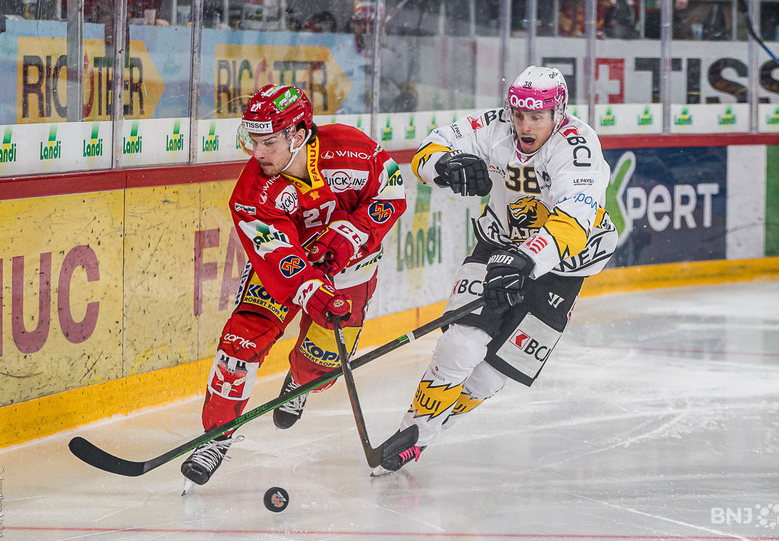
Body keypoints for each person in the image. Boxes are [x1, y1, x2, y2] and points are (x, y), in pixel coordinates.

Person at [372, 66, 618, 476]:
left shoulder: (578, 145)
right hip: (499, 244)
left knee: (488, 377)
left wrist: (529, 257)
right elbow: (429, 148)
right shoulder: (495, 125)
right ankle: (414, 435)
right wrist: (444, 165)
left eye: (536, 116)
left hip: (564, 263)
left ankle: (432, 426)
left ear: (558, 113)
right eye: (519, 114)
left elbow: (575, 219)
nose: (524, 125)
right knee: (460, 346)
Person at [181, 83, 407, 487]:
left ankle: (300, 383)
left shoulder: (352, 149)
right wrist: (313, 289)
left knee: (321, 369)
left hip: (353, 271)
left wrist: (348, 237)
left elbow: (391, 192)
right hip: (285, 275)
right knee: (239, 345)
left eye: (268, 142)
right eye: (253, 141)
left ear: (298, 134)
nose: (258, 153)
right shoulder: (252, 192)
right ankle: (215, 437)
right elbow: (278, 258)